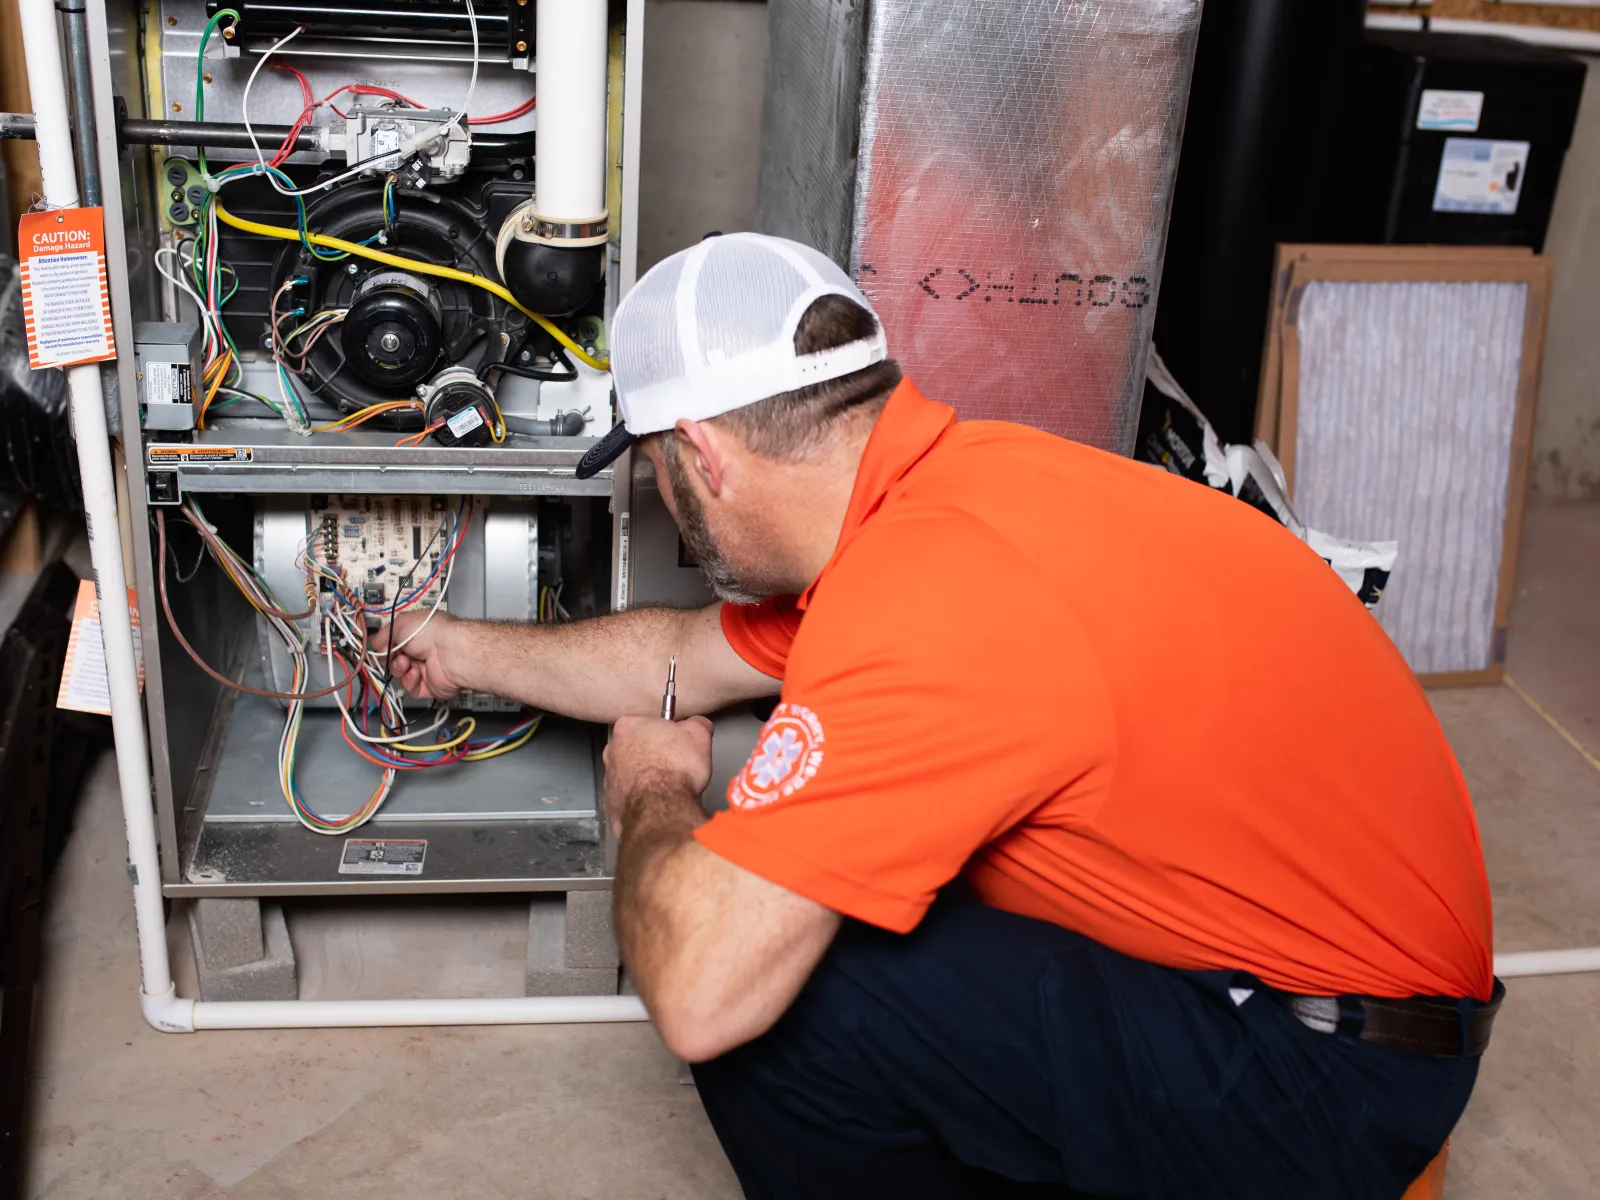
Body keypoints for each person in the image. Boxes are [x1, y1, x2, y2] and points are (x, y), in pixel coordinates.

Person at [379, 233, 1499, 1199]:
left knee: (794, 992)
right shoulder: (951, 496)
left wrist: (653, 795)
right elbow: (675, 659)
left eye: (658, 472)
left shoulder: (927, 605)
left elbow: (701, 993)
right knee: (854, 872)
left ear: (702, 458)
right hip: (1315, 994)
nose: (666, 501)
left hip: (1323, 1086)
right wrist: (456, 648)